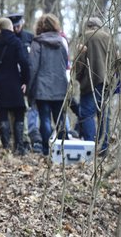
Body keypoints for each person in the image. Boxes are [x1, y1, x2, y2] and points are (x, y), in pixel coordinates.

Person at [0, 17, 30, 155]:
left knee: (2, 114)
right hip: (16, 83)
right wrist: (25, 81)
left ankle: (6, 147)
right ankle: (19, 147)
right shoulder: (16, 42)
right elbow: (24, 62)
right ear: (10, 28)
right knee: (19, 113)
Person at [74, 16, 117, 156]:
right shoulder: (109, 38)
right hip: (107, 83)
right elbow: (117, 61)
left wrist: (78, 77)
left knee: (86, 114)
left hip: (90, 82)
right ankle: (103, 148)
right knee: (104, 115)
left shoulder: (84, 37)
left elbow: (79, 63)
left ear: (87, 26)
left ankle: (90, 148)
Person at [27, 14, 69, 155]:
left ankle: (46, 149)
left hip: (42, 88)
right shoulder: (62, 41)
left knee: (45, 118)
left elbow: (32, 67)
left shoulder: (37, 43)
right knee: (60, 119)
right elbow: (66, 64)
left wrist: (29, 87)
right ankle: (64, 149)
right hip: (60, 86)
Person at [7, 13, 42, 153]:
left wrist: (28, 81)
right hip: (12, 80)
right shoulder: (8, 38)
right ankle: (14, 140)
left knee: (26, 111)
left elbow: (31, 61)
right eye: (14, 26)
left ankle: (26, 140)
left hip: (27, 80)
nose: (16, 29)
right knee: (14, 111)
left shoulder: (29, 37)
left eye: (18, 26)